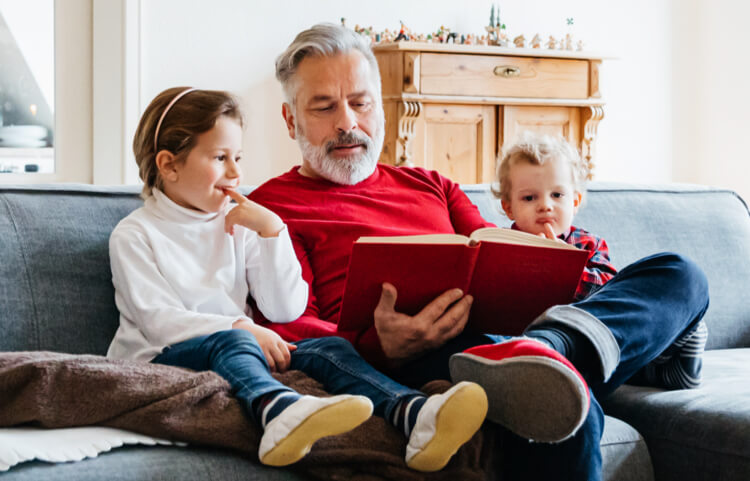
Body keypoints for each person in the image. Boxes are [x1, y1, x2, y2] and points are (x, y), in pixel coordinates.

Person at [248, 24, 709, 480]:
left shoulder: (433, 185)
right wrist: (380, 347)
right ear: (291, 120)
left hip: (510, 337)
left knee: (680, 273)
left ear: (381, 106)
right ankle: (567, 357)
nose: (347, 122)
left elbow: (494, 250)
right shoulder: (271, 210)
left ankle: (553, 348)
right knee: (567, 410)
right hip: (428, 359)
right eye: (325, 107)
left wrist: (539, 262)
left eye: (360, 102)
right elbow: (293, 328)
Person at [106, 86, 488, 472]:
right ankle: (277, 411)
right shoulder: (135, 235)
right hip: (163, 357)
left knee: (328, 349)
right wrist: (241, 326)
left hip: (241, 347)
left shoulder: (240, 223)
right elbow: (158, 322)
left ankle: (413, 412)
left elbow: (284, 306)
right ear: (169, 165)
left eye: (238, 157)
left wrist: (273, 233)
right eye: (220, 158)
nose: (236, 173)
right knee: (235, 341)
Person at [495, 131, 708, 390]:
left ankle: (665, 361)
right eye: (529, 198)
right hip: (523, 339)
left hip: (592, 338)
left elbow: (609, 292)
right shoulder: (501, 246)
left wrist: (566, 265)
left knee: (677, 273)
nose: (545, 206)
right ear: (509, 208)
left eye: (557, 196)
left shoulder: (587, 244)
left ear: (575, 202)